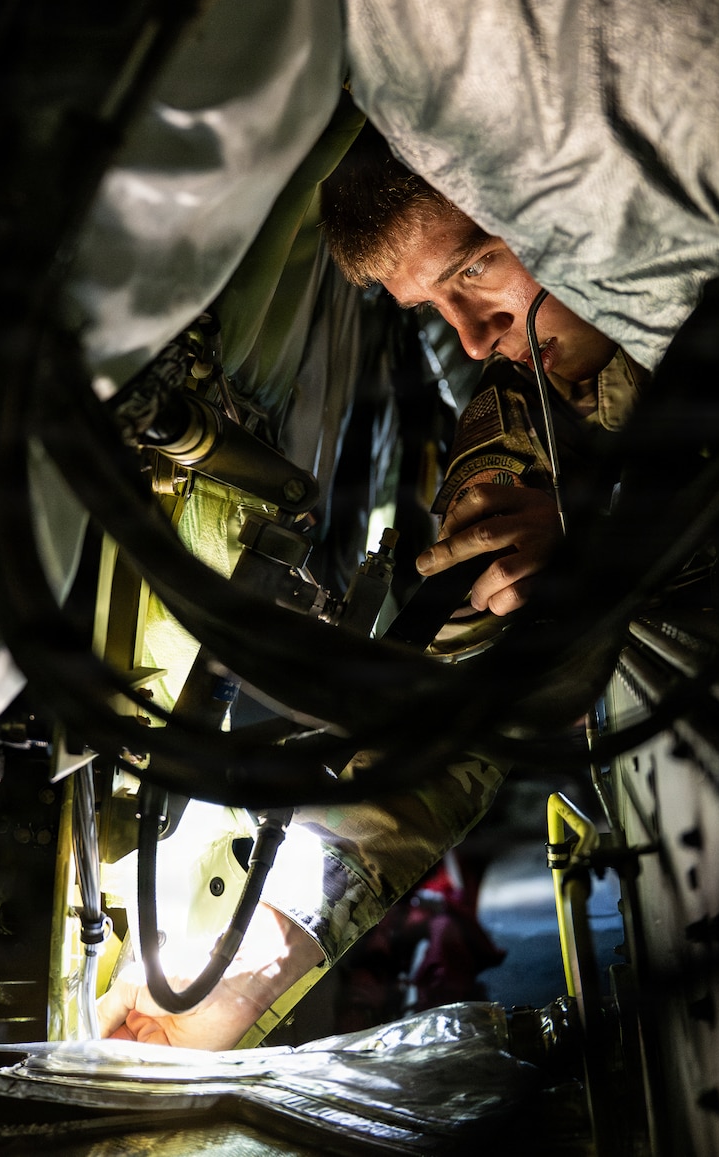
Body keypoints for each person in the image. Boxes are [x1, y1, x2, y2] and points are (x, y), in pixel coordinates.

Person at [97, 122, 642, 1049]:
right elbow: (439, 727)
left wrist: (619, 542)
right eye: (436, 305)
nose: (474, 340)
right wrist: (247, 971)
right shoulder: (516, 442)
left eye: (476, 268)